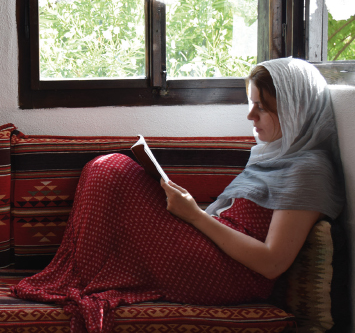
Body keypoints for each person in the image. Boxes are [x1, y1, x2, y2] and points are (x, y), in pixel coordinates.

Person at [12, 58, 345, 333]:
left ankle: (81, 278)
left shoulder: (308, 168)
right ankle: (84, 275)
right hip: (216, 251)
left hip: (232, 275)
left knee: (112, 169)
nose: (250, 116)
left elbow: (272, 263)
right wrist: (190, 210)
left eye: (262, 107)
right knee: (108, 169)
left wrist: (195, 216)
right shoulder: (276, 154)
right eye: (251, 104)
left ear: (294, 108)